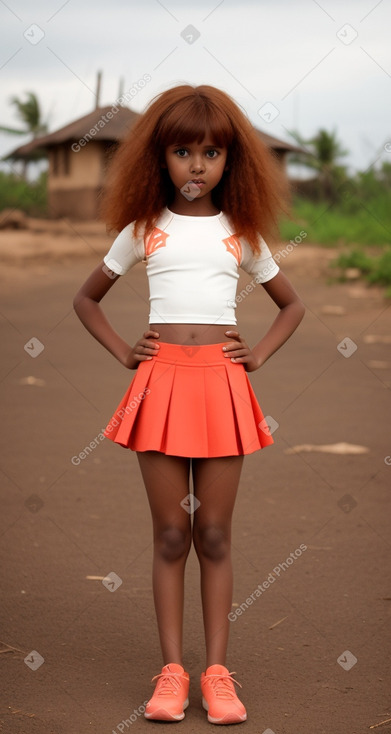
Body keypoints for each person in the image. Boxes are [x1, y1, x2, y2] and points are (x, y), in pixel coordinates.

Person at [73, 84, 305, 725]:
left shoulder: (243, 234)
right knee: (172, 533)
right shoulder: (143, 230)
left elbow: (292, 305)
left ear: (232, 161)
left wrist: (256, 356)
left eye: (211, 153)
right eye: (182, 151)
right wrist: (126, 353)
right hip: (161, 386)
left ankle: (217, 675)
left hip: (223, 389)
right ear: (160, 157)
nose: (197, 166)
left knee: (214, 534)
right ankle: (172, 671)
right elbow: (86, 299)